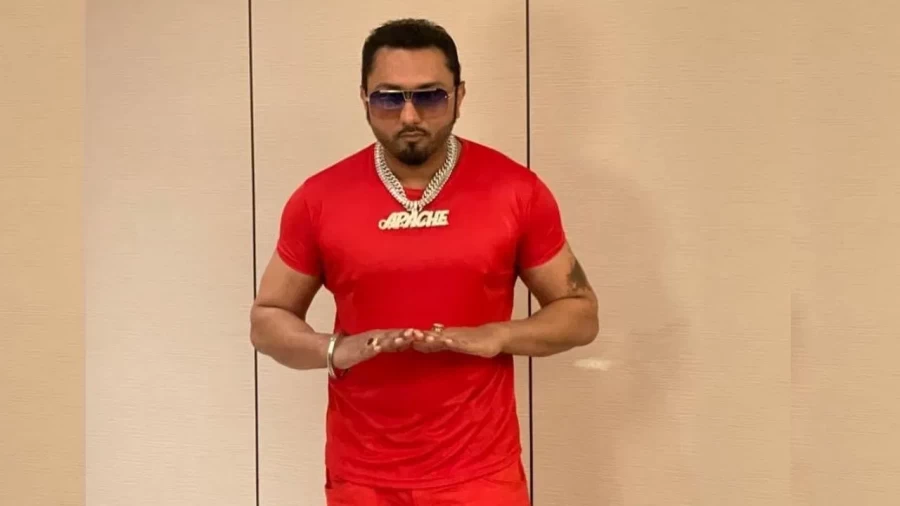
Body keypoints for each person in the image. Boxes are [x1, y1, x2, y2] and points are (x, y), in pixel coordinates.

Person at [250, 18, 599, 506]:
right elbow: (267, 321)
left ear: (459, 96)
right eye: (389, 98)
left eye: (430, 96)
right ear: (364, 99)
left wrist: (497, 335)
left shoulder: (516, 191)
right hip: (363, 476)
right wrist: (335, 349)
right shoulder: (319, 199)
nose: (409, 115)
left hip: (482, 474)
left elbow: (580, 314)